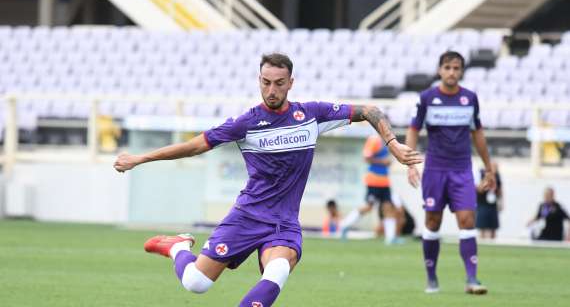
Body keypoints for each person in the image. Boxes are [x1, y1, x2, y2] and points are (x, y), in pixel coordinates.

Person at [113, 53, 422, 306]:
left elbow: (369, 110)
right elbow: (194, 146)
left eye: (279, 83)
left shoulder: (311, 115)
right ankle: (178, 247)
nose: (271, 90)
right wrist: (141, 158)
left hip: (284, 223)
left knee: (278, 269)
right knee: (196, 283)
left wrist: (393, 144)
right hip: (247, 216)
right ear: (259, 81)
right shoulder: (246, 123)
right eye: (265, 82)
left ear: (290, 83)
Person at [405, 51, 496, 295]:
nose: (452, 72)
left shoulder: (470, 98)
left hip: (462, 170)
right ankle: (432, 278)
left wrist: (489, 167)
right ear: (439, 70)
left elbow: (478, 133)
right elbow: (413, 129)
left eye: (456, 68)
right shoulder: (426, 98)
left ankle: (472, 279)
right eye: (447, 67)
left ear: (462, 71)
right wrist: (410, 163)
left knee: (467, 220)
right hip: (435, 170)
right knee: (433, 222)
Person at [339, 135, 401, 244]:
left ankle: (390, 239)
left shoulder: (388, 140)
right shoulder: (374, 140)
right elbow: (366, 158)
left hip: (385, 181)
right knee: (368, 207)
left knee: (388, 207)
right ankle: (344, 225)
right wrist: (383, 162)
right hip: (374, 180)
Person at [475, 161, 503, 239]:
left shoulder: (497, 176)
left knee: (493, 226)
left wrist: (501, 202)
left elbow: (500, 190)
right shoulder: (481, 174)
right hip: (482, 203)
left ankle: (493, 241)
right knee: (482, 226)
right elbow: (478, 189)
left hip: (493, 204)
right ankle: (482, 240)